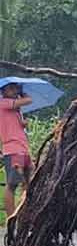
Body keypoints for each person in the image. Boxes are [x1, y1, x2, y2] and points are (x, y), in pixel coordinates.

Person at [0, 82, 33, 220]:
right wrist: (22, 93)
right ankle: (11, 218)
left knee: (29, 182)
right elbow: (29, 100)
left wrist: (23, 124)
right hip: (13, 150)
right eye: (11, 88)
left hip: (24, 149)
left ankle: (23, 215)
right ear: (3, 91)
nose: (15, 90)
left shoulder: (16, 110)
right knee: (12, 185)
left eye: (16, 87)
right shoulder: (3, 103)